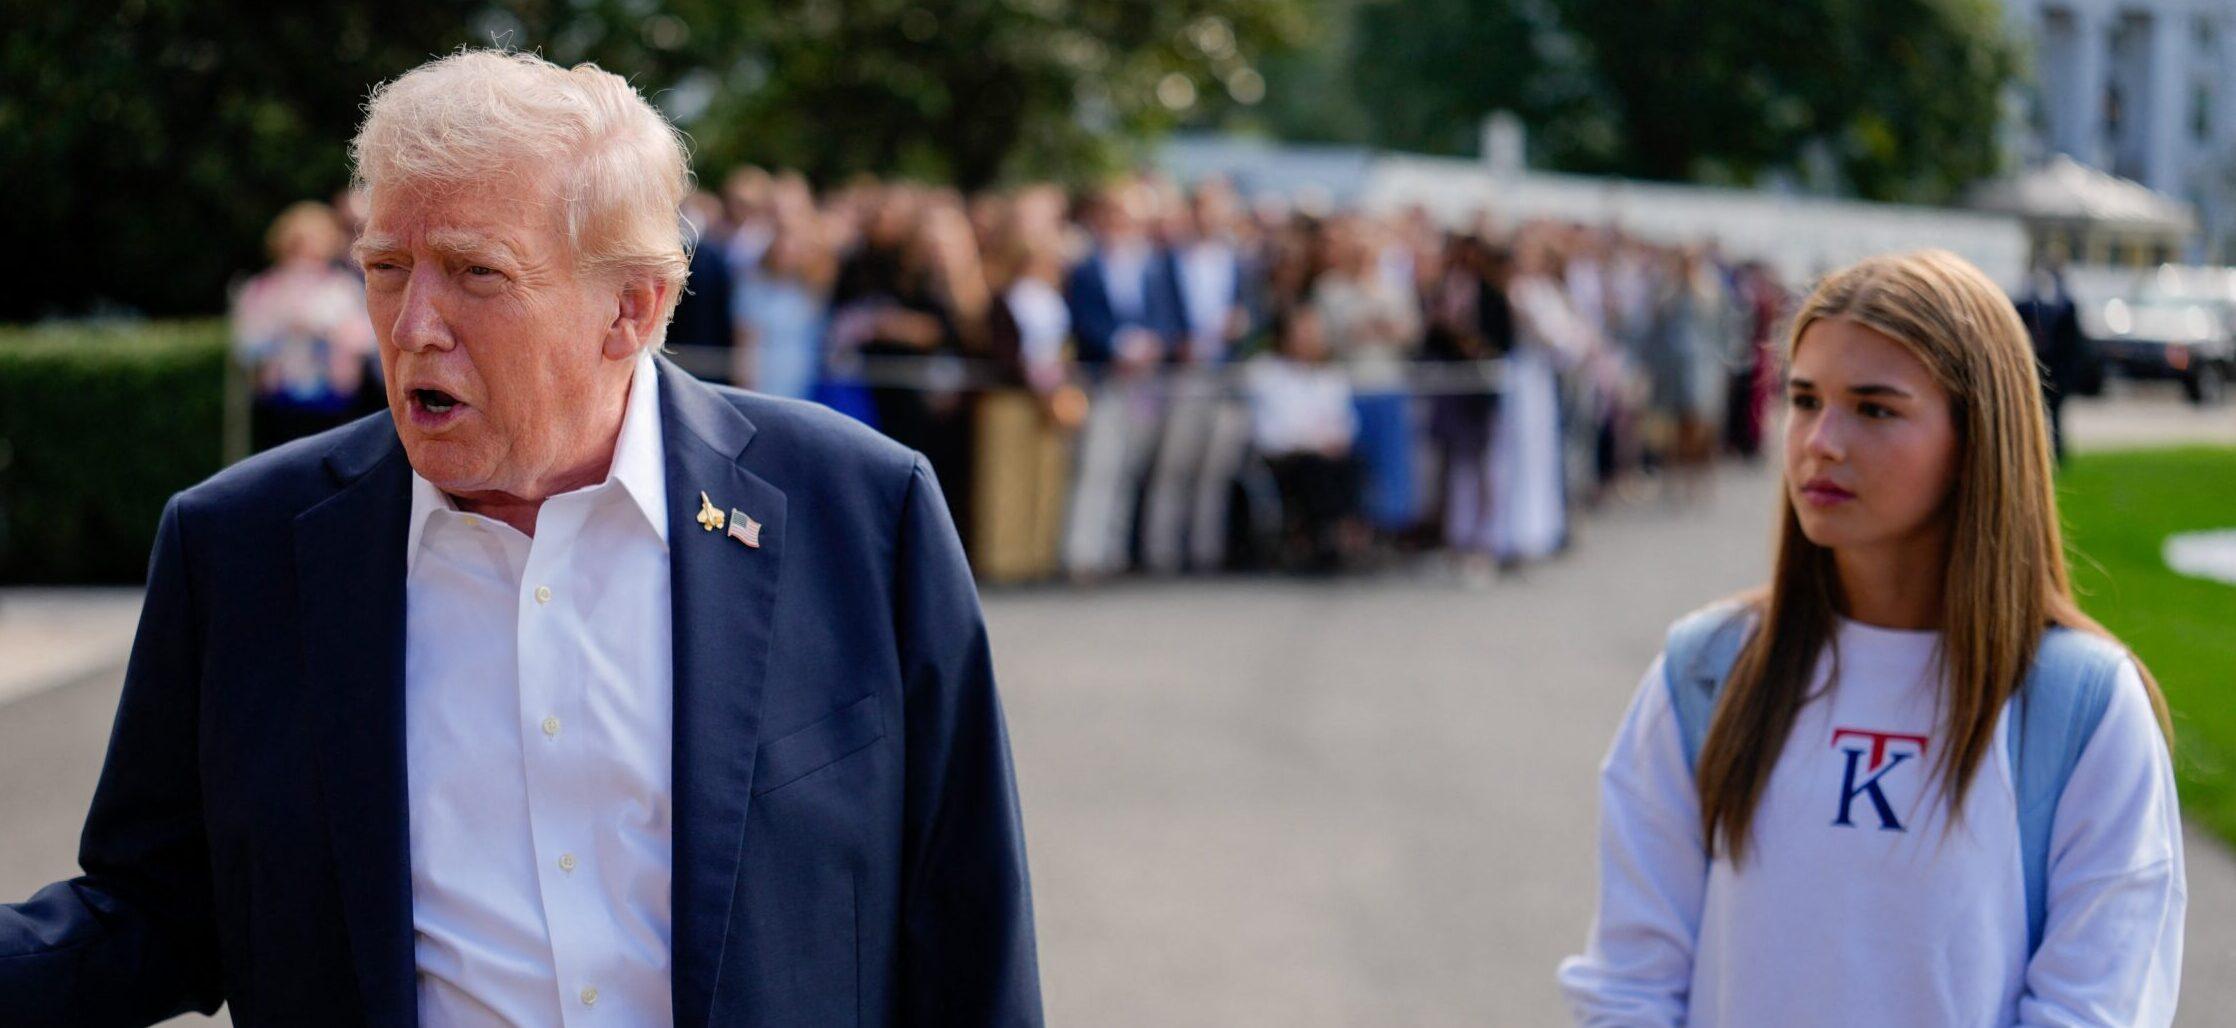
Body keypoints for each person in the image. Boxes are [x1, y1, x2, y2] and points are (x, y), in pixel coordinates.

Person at [0, 50, 1041, 1027]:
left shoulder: (860, 513)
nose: (413, 325)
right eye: (387, 266)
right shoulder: (240, 548)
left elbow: (966, 923)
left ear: (630, 308)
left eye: (474, 273)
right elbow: (154, 909)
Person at [1558, 250, 2184, 1026]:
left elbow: (2092, 1007)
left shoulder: (2079, 706)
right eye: (1804, 398)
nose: (1821, 440)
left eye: (1875, 408)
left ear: (1976, 440)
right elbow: (1631, 985)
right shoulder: (1707, 671)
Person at [230, 200, 378, 450]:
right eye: (297, 249)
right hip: (279, 401)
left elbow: (366, 340)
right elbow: (246, 345)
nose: (305, 259)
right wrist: (281, 330)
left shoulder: (341, 288)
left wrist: (327, 331)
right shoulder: (262, 290)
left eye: (314, 250)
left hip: (333, 403)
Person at [1246, 306, 1360, 573]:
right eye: (1303, 332)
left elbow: (1345, 421)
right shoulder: (1266, 373)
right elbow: (1269, 429)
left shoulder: (1330, 375)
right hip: (1287, 457)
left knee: (1350, 465)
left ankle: (1339, 538)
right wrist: (1309, 442)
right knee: (1313, 470)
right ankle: (1311, 540)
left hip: (1327, 453)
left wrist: (1332, 441)